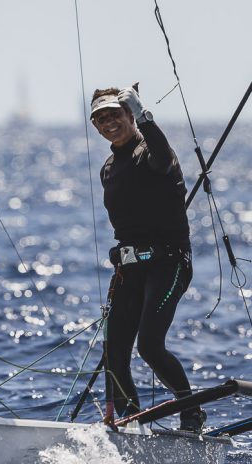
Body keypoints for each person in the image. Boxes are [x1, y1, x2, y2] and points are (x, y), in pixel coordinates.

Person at [90, 84, 206, 432]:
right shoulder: (109, 167)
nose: (109, 122)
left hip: (169, 265)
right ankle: (129, 423)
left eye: (116, 114)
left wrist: (144, 116)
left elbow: (161, 151)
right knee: (114, 356)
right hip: (131, 270)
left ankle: (191, 413)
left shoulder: (152, 153)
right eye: (101, 118)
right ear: (95, 126)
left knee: (150, 346)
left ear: (129, 116)